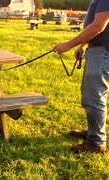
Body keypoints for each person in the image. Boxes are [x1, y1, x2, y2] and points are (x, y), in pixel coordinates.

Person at [53, 0, 109, 154]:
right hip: (98, 50)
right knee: (92, 97)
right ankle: (94, 133)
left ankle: (96, 142)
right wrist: (84, 45)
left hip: (102, 53)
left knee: (95, 99)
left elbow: (99, 26)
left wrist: (68, 44)